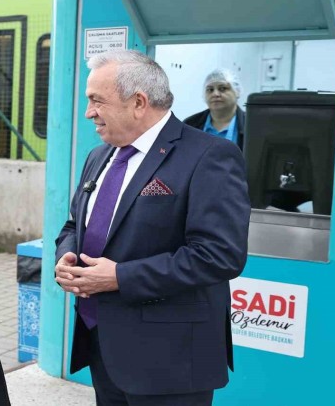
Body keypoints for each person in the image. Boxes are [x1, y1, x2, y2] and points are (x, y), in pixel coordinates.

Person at [55, 50, 250, 406]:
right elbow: (74, 224)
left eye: (97, 100)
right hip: (103, 346)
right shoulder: (99, 155)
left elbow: (220, 255)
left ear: (138, 103)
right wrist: (66, 256)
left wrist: (120, 277)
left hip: (170, 360)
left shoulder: (209, 155)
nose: (88, 112)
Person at [183, 68, 246, 150]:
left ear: (237, 91)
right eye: (210, 90)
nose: (215, 94)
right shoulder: (190, 124)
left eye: (222, 88)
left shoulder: (252, 125)